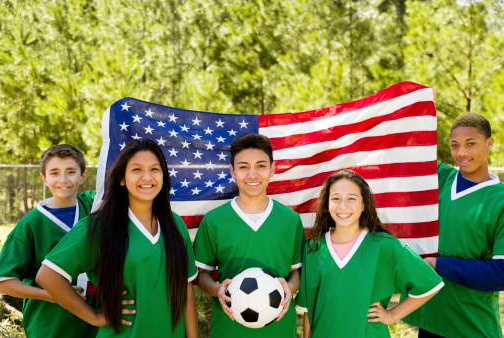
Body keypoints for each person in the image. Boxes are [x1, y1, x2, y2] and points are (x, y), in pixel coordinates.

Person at [36, 138, 199, 337]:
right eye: (137, 169)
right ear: (121, 178)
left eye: (155, 169)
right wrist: (94, 316)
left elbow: (186, 289)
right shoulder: (98, 227)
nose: (147, 177)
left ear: (164, 176)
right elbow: (48, 276)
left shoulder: (175, 225)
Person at [296, 170, 444, 337]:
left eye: (352, 198)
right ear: (327, 204)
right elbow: (309, 309)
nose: (343, 205)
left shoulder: (383, 245)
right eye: (335, 198)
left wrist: (392, 315)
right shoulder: (314, 248)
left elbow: (430, 284)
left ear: (364, 204)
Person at [193, 132, 306, 337]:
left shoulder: (290, 220)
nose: (252, 175)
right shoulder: (214, 220)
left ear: (272, 169)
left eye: (261, 166)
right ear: (232, 171)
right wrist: (217, 289)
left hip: (279, 330)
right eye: (243, 167)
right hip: (229, 329)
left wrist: (289, 287)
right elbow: (202, 276)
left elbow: (296, 271)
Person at [403, 112, 504, 338]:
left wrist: (440, 265)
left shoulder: (500, 200)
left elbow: (501, 273)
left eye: (471, 144)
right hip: (430, 318)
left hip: (472, 325)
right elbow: (404, 152)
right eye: (455, 145)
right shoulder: (439, 177)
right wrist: (421, 110)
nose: (461, 153)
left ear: (489, 144)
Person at [0, 144, 97, 338]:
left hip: (93, 320)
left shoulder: (92, 205)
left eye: (70, 172)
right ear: (44, 178)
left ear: (83, 176)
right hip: (51, 323)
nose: (63, 180)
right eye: (54, 173)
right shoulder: (31, 224)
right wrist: (51, 295)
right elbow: (2, 281)